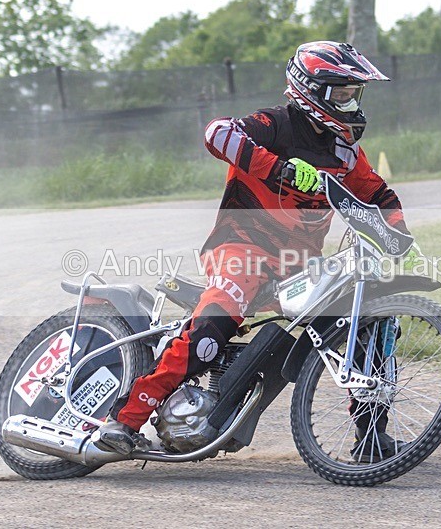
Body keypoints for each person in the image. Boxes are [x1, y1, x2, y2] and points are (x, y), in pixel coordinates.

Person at [97, 41, 411, 459]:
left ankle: (370, 438)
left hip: (299, 266)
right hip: (240, 247)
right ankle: (125, 419)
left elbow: (376, 191)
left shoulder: (345, 151)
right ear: (311, 90)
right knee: (219, 320)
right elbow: (216, 133)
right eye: (341, 92)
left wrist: (397, 231)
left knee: (368, 323)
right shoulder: (274, 124)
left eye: (354, 93)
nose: (350, 102)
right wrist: (277, 168)